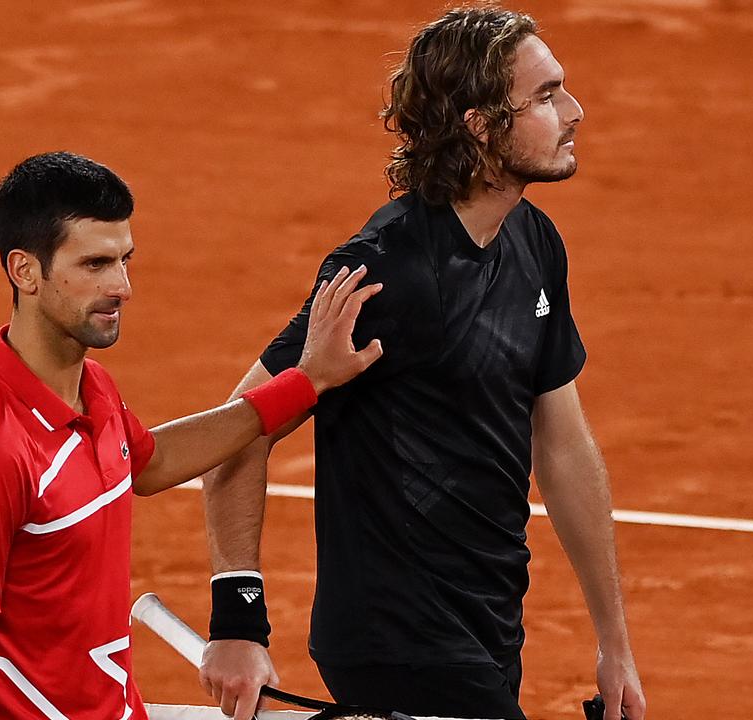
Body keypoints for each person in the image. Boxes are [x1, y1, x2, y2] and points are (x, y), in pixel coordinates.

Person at [199, 7, 646, 720]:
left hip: (487, 628)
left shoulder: (534, 242)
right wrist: (238, 621)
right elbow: (241, 428)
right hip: (395, 638)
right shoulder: (386, 274)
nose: (574, 110)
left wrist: (614, 642)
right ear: (479, 125)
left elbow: (563, 446)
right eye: (544, 95)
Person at [0, 151, 383, 720]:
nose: (122, 286)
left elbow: (151, 461)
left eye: (124, 260)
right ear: (25, 271)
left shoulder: (92, 390)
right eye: (94, 264)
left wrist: (306, 382)